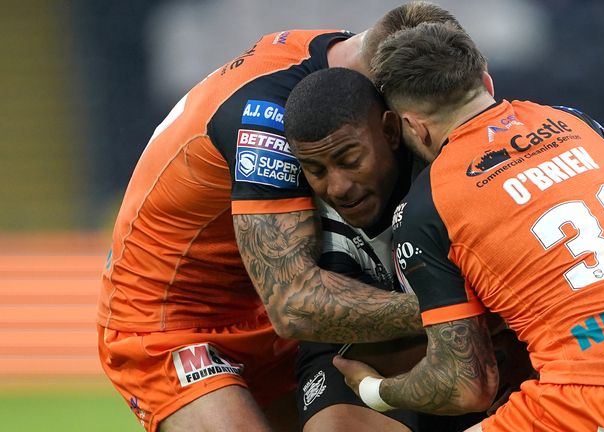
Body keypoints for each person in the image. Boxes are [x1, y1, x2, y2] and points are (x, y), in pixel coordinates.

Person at [334, 22, 604, 431]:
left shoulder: (427, 204)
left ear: (412, 125)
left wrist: (376, 390)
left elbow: (466, 387)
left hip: (594, 400)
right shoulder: (572, 123)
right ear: (486, 81)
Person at [96, 3, 462, 431]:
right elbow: (295, 306)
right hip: (173, 324)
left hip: (265, 302)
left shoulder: (344, 55)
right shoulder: (266, 119)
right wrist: (451, 307)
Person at [284, 67, 526, 431]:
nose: (338, 187)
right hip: (381, 343)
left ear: (390, 131)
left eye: (351, 160)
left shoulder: (451, 175)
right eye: (316, 168)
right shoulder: (299, 217)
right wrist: (448, 312)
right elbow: (302, 314)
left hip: (489, 335)